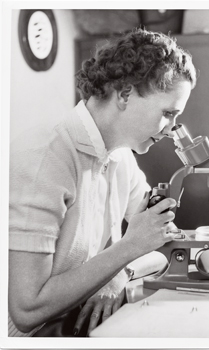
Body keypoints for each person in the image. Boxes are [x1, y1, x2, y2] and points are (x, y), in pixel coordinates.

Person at [8, 28, 197, 337]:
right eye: (168, 113)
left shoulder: (121, 158)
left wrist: (121, 272)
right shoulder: (42, 157)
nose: (170, 130)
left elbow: (163, 243)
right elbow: (27, 310)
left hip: (83, 325)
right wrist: (127, 249)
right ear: (124, 93)